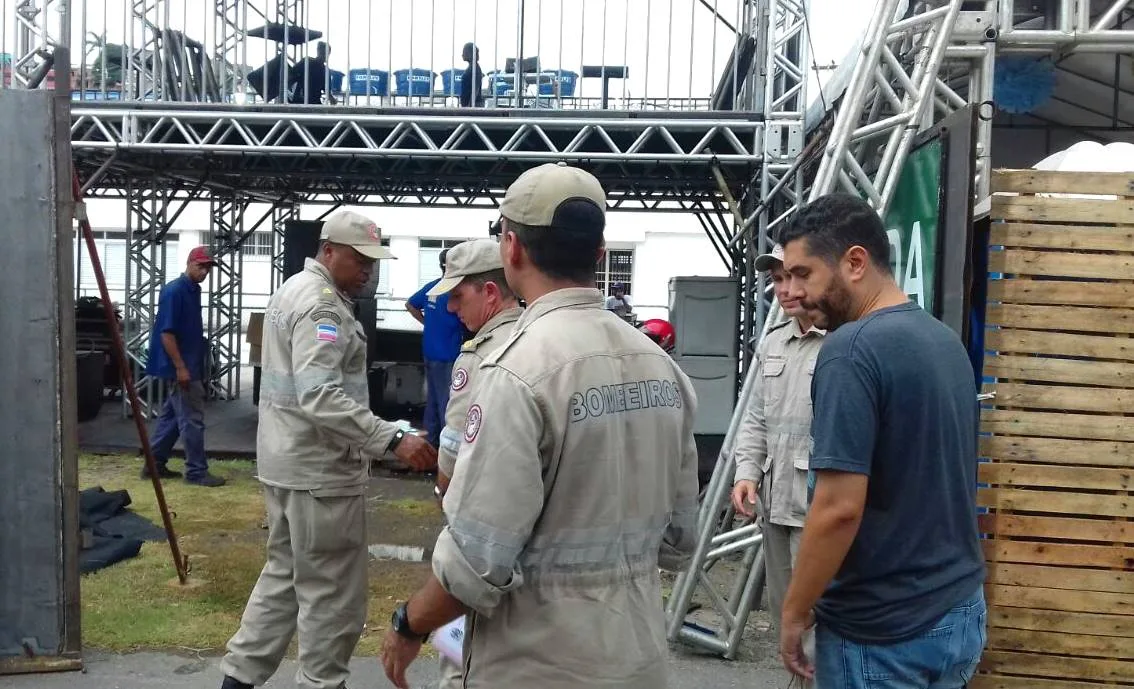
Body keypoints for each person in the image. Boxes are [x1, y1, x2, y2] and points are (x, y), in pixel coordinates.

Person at [379, 163, 701, 689]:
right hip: (637, 657)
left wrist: (407, 623)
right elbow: (679, 540)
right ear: (599, 254)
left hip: (537, 662)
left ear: (511, 248)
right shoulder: (661, 365)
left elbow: (475, 562)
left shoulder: (515, 372)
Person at [219, 211, 437, 689]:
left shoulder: (291, 290)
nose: (367, 271)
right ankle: (322, 682)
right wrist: (392, 438)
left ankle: (238, 678)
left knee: (283, 578)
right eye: (359, 260)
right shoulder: (324, 309)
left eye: (372, 263)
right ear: (329, 251)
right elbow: (319, 394)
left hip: (286, 465)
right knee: (332, 596)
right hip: (321, 474)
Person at [776, 193, 985, 688]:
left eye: (804, 274)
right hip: (958, 610)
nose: (793, 291)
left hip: (883, 629)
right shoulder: (942, 339)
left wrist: (794, 610)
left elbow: (838, 508)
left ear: (854, 262)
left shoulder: (850, 350)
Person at [423, 237, 523, 689]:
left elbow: (453, 448)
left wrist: (444, 491)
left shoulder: (478, 354)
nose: (449, 310)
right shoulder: (537, 335)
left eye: (457, 297)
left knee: (458, 645)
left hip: (476, 526)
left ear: (489, 293)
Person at [729, 242, 824, 687]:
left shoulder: (843, 341)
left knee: (822, 619)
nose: (784, 289)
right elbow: (756, 419)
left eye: (793, 277)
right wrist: (747, 473)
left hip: (820, 509)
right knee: (787, 612)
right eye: (778, 279)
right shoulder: (773, 344)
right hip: (777, 504)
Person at [145, 245, 225, 487]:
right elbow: (166, 334)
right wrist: (181, 367)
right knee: (192, 419)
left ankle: (154, 464)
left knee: (171, 419)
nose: (205, 272)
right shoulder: (176, 291)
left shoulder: (190, 290)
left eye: (208, 268)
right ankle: (196, 471)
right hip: (183, 367)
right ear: (189, 263)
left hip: (186, 364)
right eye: (200, 266)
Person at [406, 251, 467, 450]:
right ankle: (446, 451)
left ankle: (431, 444)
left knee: (432, 400)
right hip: (448, 354)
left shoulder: (432, 287)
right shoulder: (455, 291)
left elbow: (410, 304)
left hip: (430, 351)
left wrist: (426, 323)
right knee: (447, 403)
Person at [459, 42, 484, 107]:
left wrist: (470, 107)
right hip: (469, 105)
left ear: (470, 53)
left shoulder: (474, 68)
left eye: (464, 51)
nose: (462, 54)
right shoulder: (473, 67)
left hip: (472, 106)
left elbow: (476, 88)